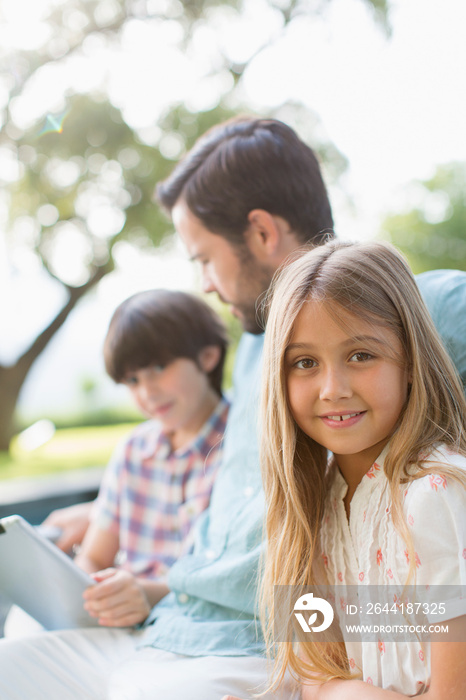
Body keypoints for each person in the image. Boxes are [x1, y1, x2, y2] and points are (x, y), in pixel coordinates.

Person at [1, 117, 465, 699]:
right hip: (175, 624)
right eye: (301, 363)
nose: (330, 387)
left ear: (262, 233)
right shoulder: (259, 357)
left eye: (203, 258)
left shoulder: (421, 307)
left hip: (242, 645)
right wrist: (102, 509)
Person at [259, 240, 466, 698]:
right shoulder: (311, 504)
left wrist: (337, 693)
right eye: (305, 363)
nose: (333, 389)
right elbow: (315, 672)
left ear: (410, 361)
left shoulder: (439, 494)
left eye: (360, 355)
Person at [5, 289, 229, 634]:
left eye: (159, 367)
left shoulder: (240, 445)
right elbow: (95, 555)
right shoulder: (134, 450)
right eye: (132, 380)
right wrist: (90, 591)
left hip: (194, 626)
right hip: (123, 623)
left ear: (208, 356)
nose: (147, 392)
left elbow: (228, 577)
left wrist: (144, 594)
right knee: (20, 635)